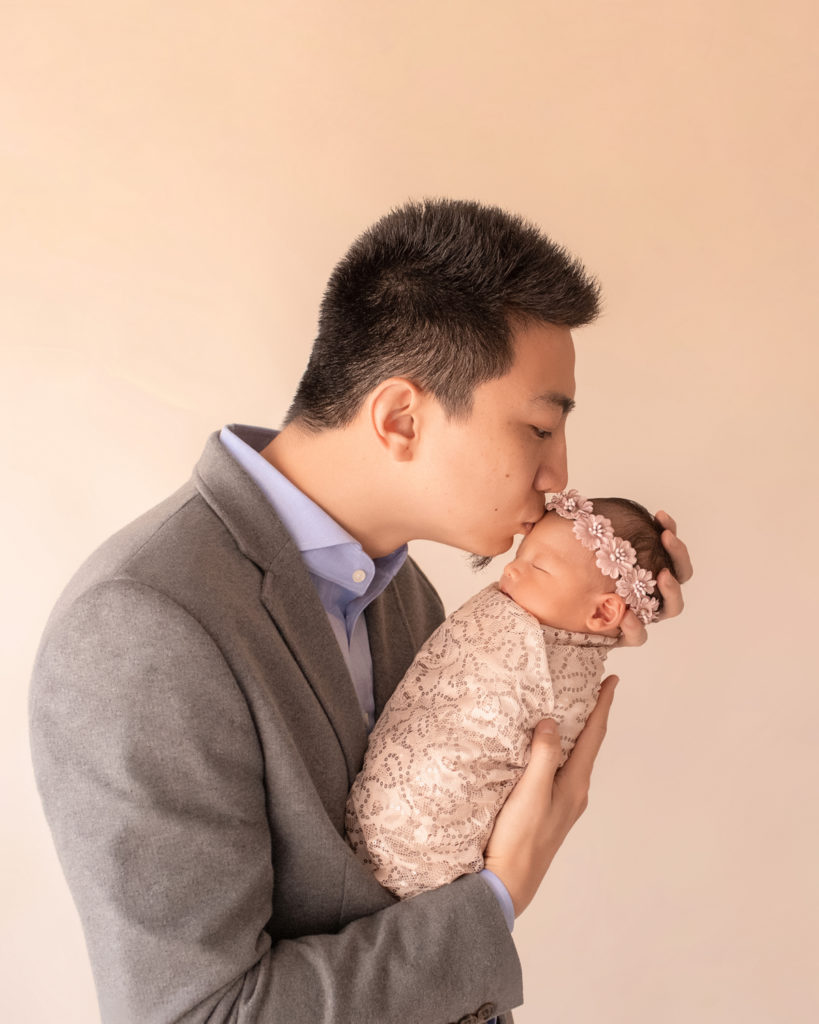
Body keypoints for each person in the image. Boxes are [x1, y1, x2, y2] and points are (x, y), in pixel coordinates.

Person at [29, 199, 692, 1024]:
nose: (558, 476)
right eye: (536, 430)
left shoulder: (398, 588)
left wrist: (596, 609)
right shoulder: (140, 626)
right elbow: (202, 1015)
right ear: (401, 418)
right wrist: (496, 898)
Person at [346, 490, 675, 899]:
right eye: (520, 557)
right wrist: (505, 892)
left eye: (537, 566)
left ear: (605, 613)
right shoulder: (418, 593)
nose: (510, 572)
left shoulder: (562, 677)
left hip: (431, 847)